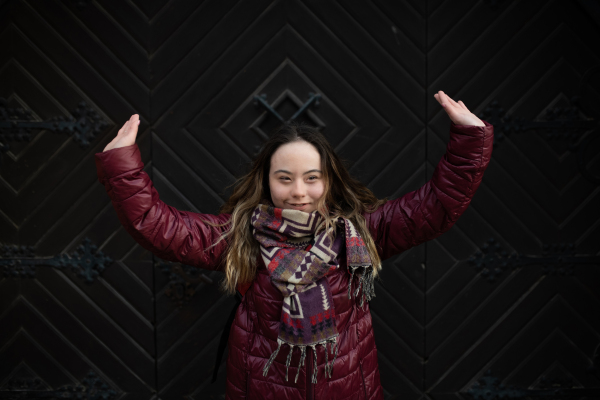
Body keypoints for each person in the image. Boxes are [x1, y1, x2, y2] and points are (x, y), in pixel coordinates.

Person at [95, 91, 494, 400]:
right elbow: (159, 226)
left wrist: (470, 140)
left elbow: (436, 207)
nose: (298, 192)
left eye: (311, 178)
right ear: (267, 181)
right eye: (284, 178)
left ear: (329, 180)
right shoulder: (242, 235)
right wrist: (121, 165)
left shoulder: (360, 232)